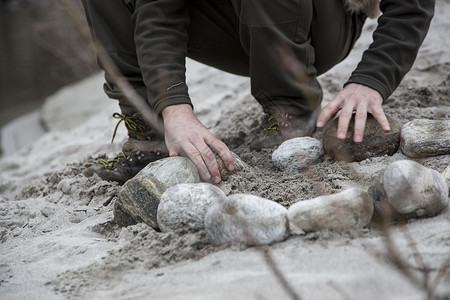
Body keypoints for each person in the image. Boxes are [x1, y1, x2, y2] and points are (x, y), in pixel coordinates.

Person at [81, 0, 435, 185]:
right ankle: (148, 132)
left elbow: (412, 4)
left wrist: (371, 80)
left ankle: (290, 107)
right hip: (233, 23)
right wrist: (172, 106)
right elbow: (157, 10)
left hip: (319, 22)